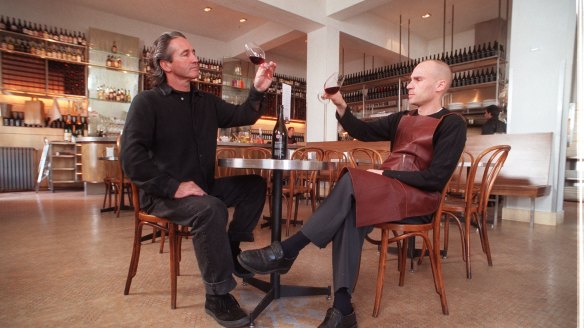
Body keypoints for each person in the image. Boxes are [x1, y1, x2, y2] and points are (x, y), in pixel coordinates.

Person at [238, 60, 467, 328]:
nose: (409, 84)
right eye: (411, 79)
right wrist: (339, 102)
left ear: (440, 85)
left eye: (417, 80)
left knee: (352, 180)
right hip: (388, 192)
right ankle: (342, 307)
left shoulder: (452, 124)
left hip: (418, 198)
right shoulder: (402, 118)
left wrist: (386, 175)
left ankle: (289, 249)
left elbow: (435, 179)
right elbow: (361, 130)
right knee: (351, 212)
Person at [120, 31, 277, 328]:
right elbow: (131, 159)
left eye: (194, 52)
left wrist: (257, 89)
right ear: (165, 65)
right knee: (211, 208)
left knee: (254, 185)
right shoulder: (147, 103)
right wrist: (173, 186)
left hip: (202, 187)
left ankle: (231, 251)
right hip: (164, 195)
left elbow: (244, 114)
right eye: (186, 54)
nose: (195, 58)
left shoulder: (206, 101)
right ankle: (217, 294)